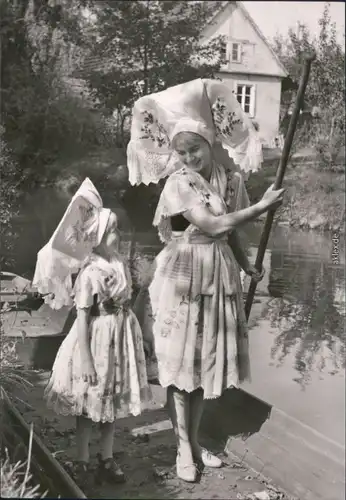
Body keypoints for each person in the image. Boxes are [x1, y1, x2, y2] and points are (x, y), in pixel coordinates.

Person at [127, 78, 284, 483]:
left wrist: (246, 264)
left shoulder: (231, 180)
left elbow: (231, 235)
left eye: (193, 148)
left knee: (202, 366)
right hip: (183, 276)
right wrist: (263, 207)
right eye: (179, 152)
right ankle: (182, 447)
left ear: (210, 142)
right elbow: (213, 225)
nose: (187, 157)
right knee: (181, 368)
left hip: (218, 275)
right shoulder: (179, 182)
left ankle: (195, 442)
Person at [32, 178, 151, 487]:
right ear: (96, 238)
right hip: (97, 339)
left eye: (119, 230)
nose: (120, 235)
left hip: (120, 340)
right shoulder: (91, 272)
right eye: (113, 231)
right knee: (88, 403)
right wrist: (85, 358)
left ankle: (107, 456)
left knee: (110, 403)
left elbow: (129, 301)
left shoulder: (120, 263)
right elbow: (82, 317)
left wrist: (143, 333)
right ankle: (82, 457)